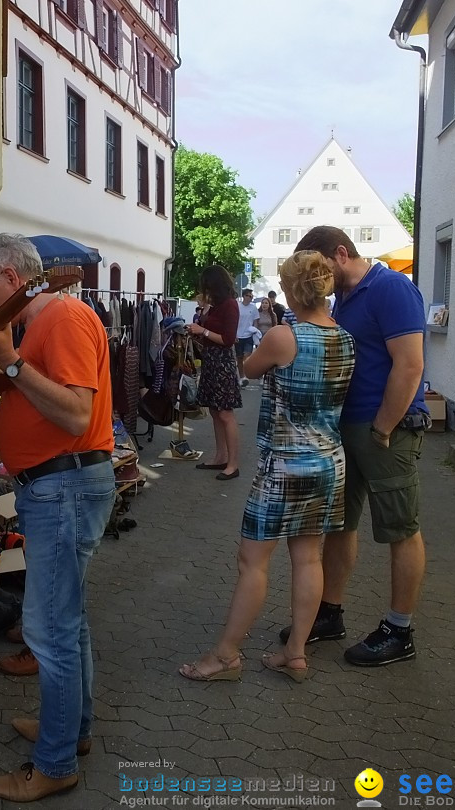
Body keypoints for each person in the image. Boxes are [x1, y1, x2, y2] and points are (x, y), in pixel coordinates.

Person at [0, 234, 115, 802]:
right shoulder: (42, 325)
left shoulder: (66, 316)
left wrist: (8, 361)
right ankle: (70, 732)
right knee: (66, 624)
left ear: (9, 275)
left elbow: (76, 414)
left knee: (49, 632)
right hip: (58, 487)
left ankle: (52, 764)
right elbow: (41, 399)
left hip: (65, 486)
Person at [179, 251, 355, 683]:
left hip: (285, 464)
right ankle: (295, 653)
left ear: (293, 290)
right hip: (329, 461)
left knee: (252, 562)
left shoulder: (283, 335)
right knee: (309, 559)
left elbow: (249, 368)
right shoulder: (346, 338)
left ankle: (225, 655)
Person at [286, 225, 429, 667]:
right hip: (345, 430)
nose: (315, 277)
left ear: (342, 254)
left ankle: (399, 629)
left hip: (385, 429)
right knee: (340, 524)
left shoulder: (391, 288)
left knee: (400, 528)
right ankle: (330, 612)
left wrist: (384, 427)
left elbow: (410, 365)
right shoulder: (341, 299)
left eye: (319, 266)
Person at [185, 266, 242, 481]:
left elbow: (228, 339)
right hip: (211, 362)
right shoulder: (216, 306)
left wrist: (203, 331)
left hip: (222, 365)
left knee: (226, 414)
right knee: (216, 412)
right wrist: (201, 322)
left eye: (207, 286)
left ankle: (233, 464)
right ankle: (220, 456)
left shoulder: (230, 305)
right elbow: (208, 332)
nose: (204, 290)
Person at [235, 288, 260, 386]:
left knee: (247, 356)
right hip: (238, 335)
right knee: (239, 358)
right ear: (244, 296)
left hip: (248, 335)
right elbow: (234, 321)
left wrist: (254, 330)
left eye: (251, 296)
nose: (250, 297)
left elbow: (256, 320)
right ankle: (242, 377)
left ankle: (246, 374)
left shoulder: (253, 308)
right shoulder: (238, 306)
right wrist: (234, 334)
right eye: (248, 296)